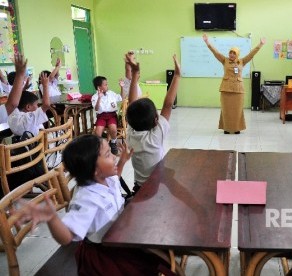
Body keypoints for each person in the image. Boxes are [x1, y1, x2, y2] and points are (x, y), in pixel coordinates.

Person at [15, 135, 172, 275]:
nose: (114, 156)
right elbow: (66, 238)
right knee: (152, 265)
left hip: (121, 238)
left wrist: (123, 161)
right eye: (108, 155)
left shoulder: (107, 178)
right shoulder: (86, 200)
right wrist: (52, 218)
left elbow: (116, 180)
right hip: (105, 255)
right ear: (95, 170)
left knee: (159, 255)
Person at [125, 53, 180, 194]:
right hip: (157, 190)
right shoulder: (155, 137)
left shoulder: (131, 133)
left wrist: (135, 75)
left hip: (138, 188)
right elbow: (168, 104)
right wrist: (177, 76)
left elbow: (132, 104)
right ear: (156, 120)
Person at [203, 33, 266, 134]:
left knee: (237, 110)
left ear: (237, 54)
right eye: (230, 52)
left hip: (238, 90)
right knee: (226, 110)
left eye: (234, 53)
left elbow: (251, 54)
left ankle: (237, 128)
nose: (231, 54)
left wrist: (260, 44)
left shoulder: (242, 61)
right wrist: (207, 42)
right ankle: (226, 128)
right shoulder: (224, 60)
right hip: (226, 89)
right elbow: (215, 52)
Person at [8, 71, 50, 136]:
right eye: (36, 105)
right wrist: (45, 86)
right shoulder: (30, 118)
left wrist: (24, 89)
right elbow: (46, 105)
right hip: (39, 143)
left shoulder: (13, 115)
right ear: (28, 107)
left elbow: (16, 100)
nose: (37, 107)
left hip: (22, 144)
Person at [91, 76, 122, 155]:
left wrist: (122, 87)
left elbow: (120, 97)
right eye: (105, 84)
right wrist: (99, 98)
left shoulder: (111, 93)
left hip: (112, 115)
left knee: (113, 129)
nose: (107, 86)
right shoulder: (94, 97)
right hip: (101, 116)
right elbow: (96, 109)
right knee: (98, 133)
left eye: (107, 84)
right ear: (99, 87)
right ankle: (101, 147)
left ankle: (113, 143)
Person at [0, 54, 27, 124]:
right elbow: (12, 104)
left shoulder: (19, 86)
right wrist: (20, 74)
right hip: (11, 118)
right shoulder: (8, 87)